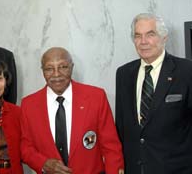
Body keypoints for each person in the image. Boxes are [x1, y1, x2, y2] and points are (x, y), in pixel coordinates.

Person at [20, 47, 124, 174]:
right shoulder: (29, 104)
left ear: (72, 67)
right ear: (42, 71)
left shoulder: (96, 97)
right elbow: (25, 147)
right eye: (49, 69)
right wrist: (43, 163)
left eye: (63, 67)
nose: (57, 74)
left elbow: (111, 148)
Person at [115, 13, 192, 174]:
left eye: (150, 34)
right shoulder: (123, 74)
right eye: (138, 36)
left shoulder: (186, 71)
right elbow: (121, 126)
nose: (143, 42)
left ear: (164, 38)